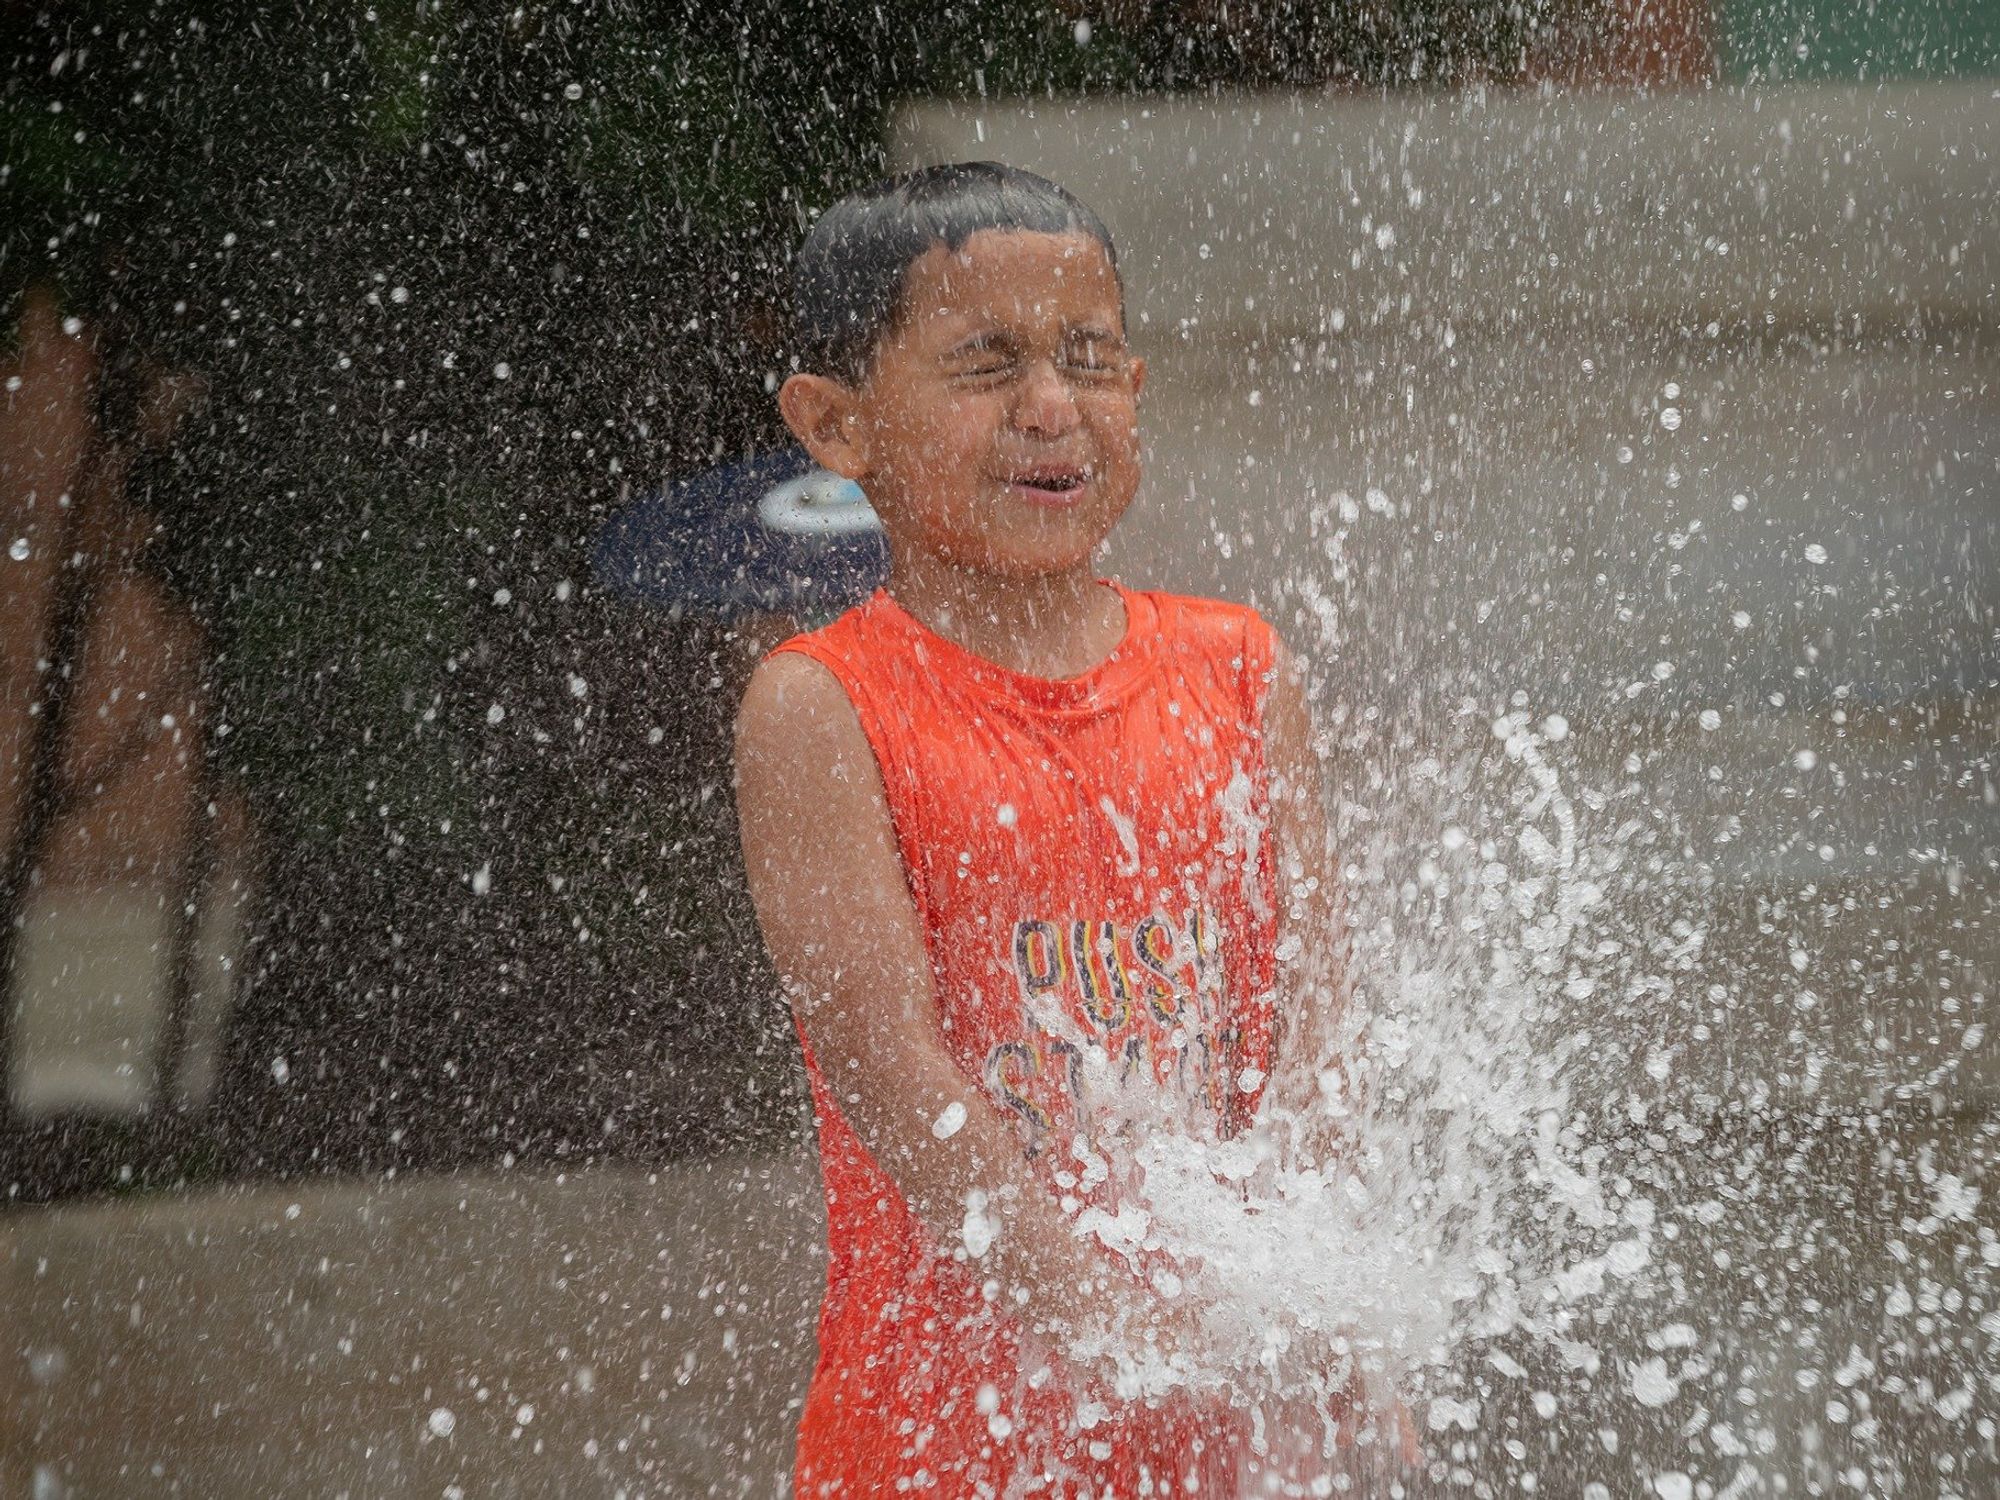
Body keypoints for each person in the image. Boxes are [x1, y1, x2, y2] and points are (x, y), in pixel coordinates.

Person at [733, 162, 1396, 1496]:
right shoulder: (823, 705)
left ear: (1136, 391)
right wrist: (1100, 1325)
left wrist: (1350, 1330)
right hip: (945, 1442)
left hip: (1227, 1434)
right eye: (987, 363)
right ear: (837, 423)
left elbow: (1310, 1030)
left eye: (1088, 359)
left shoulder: (1238, 670)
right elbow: (892, 1070)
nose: (1053, 408)